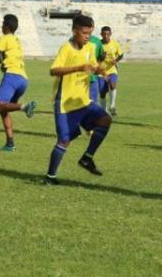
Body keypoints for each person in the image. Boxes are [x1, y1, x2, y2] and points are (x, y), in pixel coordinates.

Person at [44, 15, 112, 185]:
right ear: (74, 30)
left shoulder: (90, 47)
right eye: (84, 32)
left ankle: (87, 158)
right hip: (65, 103)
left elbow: (92, 67)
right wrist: (78, 67)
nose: (88, 36)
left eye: (90, 33)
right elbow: (53, 70)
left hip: (83, 100)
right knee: (64, 140)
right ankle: (50, 177)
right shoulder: (66, 48)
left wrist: (101, 71)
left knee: (105, 120)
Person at [0, 14, 37, 151]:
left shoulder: (5, 38)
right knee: (4, 109)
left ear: (6, 26)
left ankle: (25, 106)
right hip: (23, 79)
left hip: (12, 77)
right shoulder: (16, 40)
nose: (1, 26)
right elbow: (4, 58)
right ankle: (10, 142)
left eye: (2, 23)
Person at [98, 26, 124, 115]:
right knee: (102, 92)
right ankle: (104, 111)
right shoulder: (98, 44)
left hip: (112, 70)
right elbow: (95, 57)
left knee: (112, 85)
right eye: (104, 34)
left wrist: (115, 60)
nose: (106, 36)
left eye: (107, 34)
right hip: (101, 72)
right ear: (101, 34)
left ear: (110, 34)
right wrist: (101, 58)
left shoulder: (115, 44)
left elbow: (121, 55)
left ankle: (112, 106)